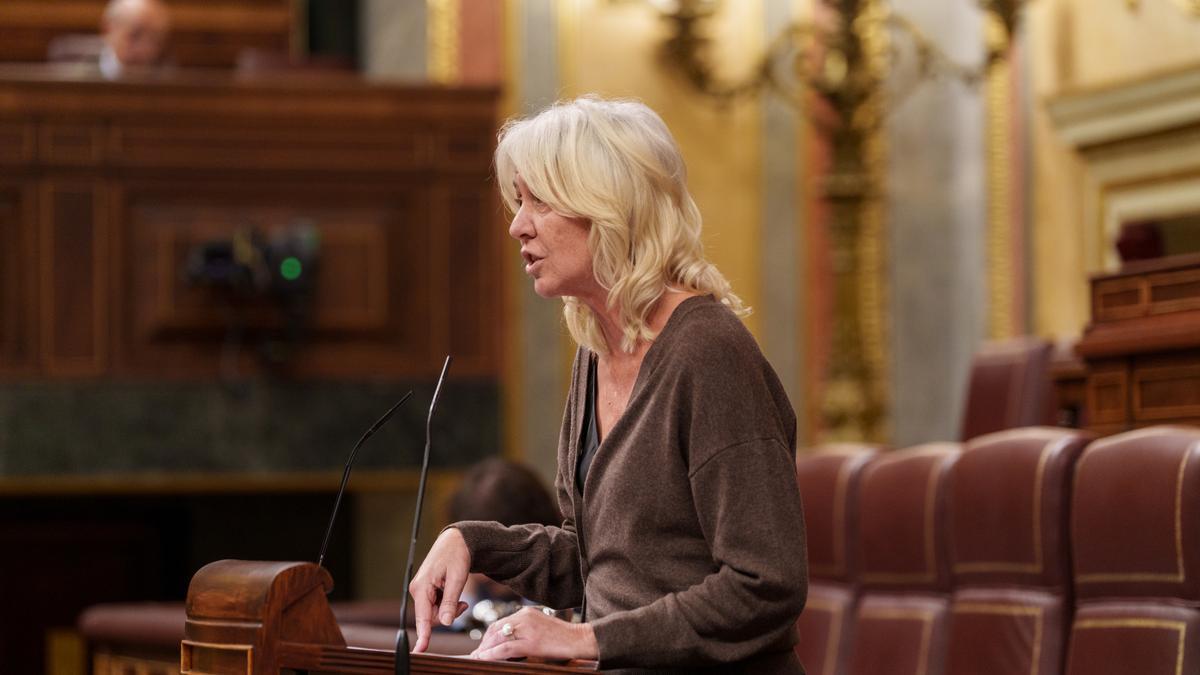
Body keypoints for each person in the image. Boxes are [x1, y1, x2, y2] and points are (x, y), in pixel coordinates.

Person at [409, 96, 808, 673]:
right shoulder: (596, 351)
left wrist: (585, 640)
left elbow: (766, 584)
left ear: (607, 205)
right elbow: (602, 559)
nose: (518, 225)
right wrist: (473, 541)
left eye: (538, 201)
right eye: (519, 201)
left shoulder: (708, 354)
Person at [99, 0, 171, 78]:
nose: (145, 49)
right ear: (108, 30)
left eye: (154, 39)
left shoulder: (168, 78)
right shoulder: (85, 71)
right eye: (135, 35)